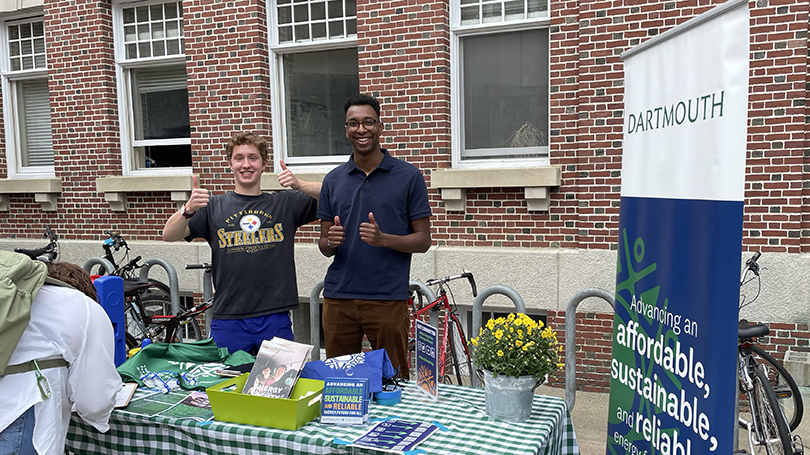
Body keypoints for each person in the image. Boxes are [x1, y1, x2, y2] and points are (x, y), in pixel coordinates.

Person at [162, 132, 320, 354]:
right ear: (230, 163)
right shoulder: (213, 207)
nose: (246, 164)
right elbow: (169, 234)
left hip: (274, 316)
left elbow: (335, 194)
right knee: (227, 385)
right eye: (239, 158)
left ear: (264, 163)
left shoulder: (285, 203)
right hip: (229, 318)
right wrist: (187, 210)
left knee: (280, 385)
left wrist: (299, 184)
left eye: (253, 158)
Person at [317, 94, 432, 379]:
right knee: (340, 381)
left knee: (393, 381)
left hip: (386, 298)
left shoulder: (409, 177)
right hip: (338, 298)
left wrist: (384, 239)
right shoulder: (333, 180)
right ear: (346, 130)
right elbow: (323, 244)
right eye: (353, 123)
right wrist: (331, 241)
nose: (361, 129)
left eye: (368, 122)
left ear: (380, 126)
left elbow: (423, 240)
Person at [0, 258, 120, 455]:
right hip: (19, 414)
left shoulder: (14, 296)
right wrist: (98, 417)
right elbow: (94, 401)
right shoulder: (83, 305)